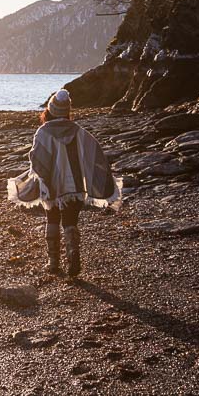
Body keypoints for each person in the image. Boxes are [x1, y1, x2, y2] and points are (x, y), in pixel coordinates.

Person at [7, 89, 122, 277]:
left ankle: (53, 263)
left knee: (51, 219)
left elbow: (37, 159)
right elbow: (96, 153)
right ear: (67, 111)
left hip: (50, 185)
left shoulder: (43, 132)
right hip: (74, 186)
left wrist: (40, 177)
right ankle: (73, 254)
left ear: (50, 110)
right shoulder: (79, 132)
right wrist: (99, 177)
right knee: (70, 222)